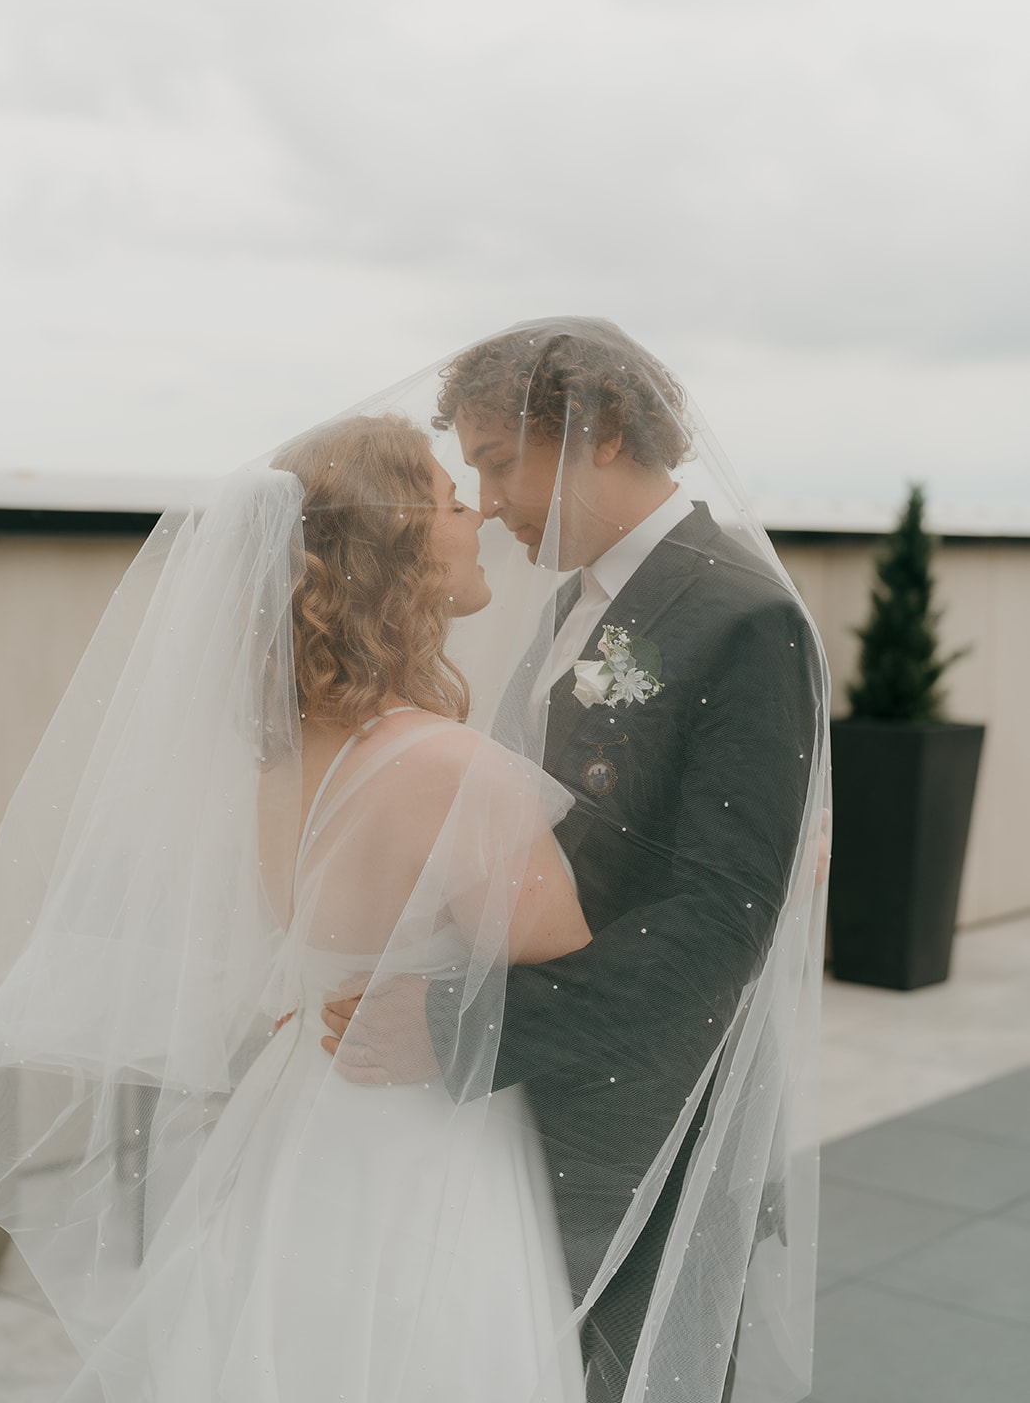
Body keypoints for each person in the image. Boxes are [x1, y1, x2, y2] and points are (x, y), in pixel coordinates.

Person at [0, 414, 593, 1402]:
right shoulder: (449, 767)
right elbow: (566, 951)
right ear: (398, 553)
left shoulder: (280, 757)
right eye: (445, 497)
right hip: (417, 1144)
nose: (474, 513)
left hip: (300, 1128)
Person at [322, 318, 830, 1403]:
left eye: (499, 462)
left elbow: (718, 921)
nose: (490, 503)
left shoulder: (744, 617)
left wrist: (461, 1026)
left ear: (596, 431)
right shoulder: (571, 602)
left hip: (647, 1129)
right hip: (542, 1116)